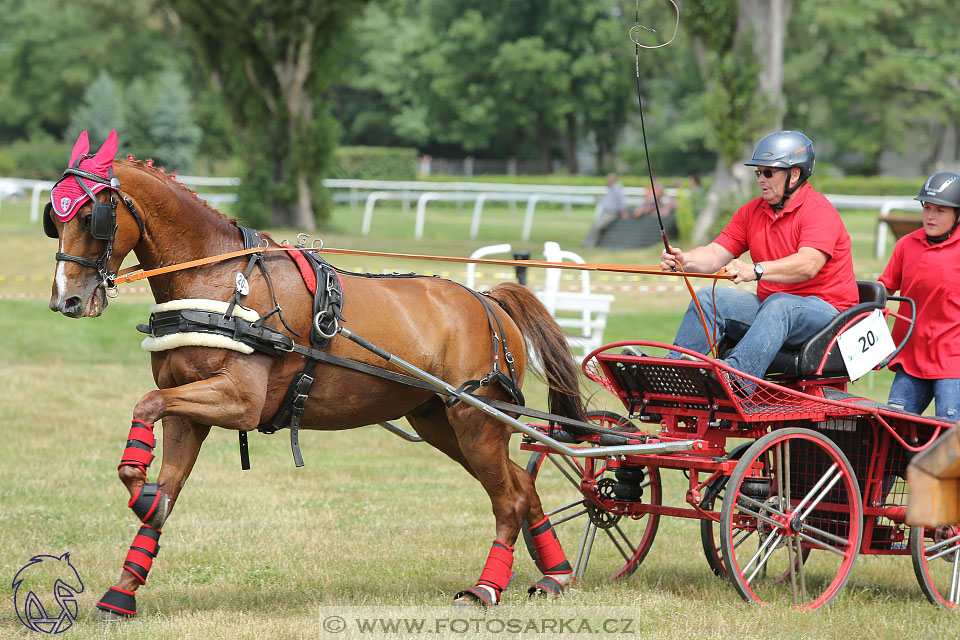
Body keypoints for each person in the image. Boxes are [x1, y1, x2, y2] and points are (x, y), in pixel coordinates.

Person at [660, 130, 859, 382]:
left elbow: (808, 264)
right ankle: (674, 375)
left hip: (828, 315)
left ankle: (735, 379)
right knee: (709, 298)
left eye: (768, 172)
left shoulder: (819, 212)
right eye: (758, 172)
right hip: (774, 308)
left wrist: (756, 270)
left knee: (780, 303)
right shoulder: (752, 212)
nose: (760, 180)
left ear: (794, 174)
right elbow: (714, 253)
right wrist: (683, 260)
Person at [878, 172, 960, 421]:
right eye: (927, 208)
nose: (930, 216)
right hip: (911, 359)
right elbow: (884, 288)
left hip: (953, 363)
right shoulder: (906, 245)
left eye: (940, 210)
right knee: (892, 432)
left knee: (948, 446)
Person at [583, 173, 628, 248]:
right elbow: (607, 201)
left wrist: (623, 211)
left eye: (608, 179)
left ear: (613, 180)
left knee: (597, 226)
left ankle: (590, 245)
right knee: (594, 225)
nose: (606, 181)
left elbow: (621, 201)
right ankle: (588, 244)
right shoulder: (610, 189)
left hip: (611, 213)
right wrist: (599, 200)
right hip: (605, 212)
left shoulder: (617, 188)